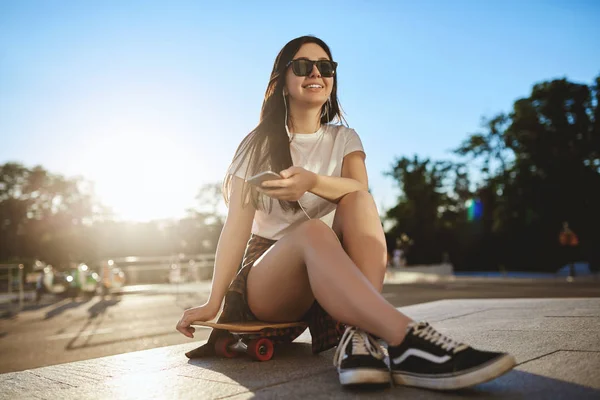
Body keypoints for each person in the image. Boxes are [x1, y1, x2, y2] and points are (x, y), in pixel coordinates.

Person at [176, 35, 516, 390]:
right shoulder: (257, 142)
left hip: (328, 277)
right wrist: (213, 301)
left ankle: (358, 339)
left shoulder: (344, 139)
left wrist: (310, 181)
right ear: (283, 82)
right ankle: (409, 340)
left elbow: (357, 189)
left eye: (325, 66)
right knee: (314, 232)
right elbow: (235, 229)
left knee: (359, 201)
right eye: (303, 66)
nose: (316, 73)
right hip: (270, 282)